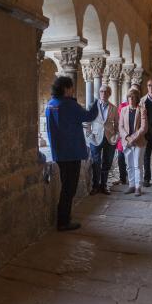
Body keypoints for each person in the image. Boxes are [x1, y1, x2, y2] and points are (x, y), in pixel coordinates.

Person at [45, 76, 99, 231]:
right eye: (71, 87)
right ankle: (63, 222)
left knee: (66, 186)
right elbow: (89, 117)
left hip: (59, 153)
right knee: (70, 188)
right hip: (72, 153)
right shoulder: (69, 105)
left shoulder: (50, 105)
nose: (73, 90)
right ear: (65, 88)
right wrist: (95, 104)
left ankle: (64, 218)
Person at [86, 85, 119, 195]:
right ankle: (95, 186)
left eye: (106, 92)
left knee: (107, 162)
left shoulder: (114, 108)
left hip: (109, 139)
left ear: (109, 94)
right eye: (101, 91)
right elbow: (87, 122)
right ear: (99, 93)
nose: (103, 94)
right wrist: (89, 135)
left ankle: (103, 185)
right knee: (96, 162)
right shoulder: (92, 106)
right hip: (95, 138)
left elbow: (117, 125)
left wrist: (116, 136)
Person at [119, 88, 148, 197]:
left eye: (133, 97)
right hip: (126, 142)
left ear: (137, 99)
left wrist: (133, 138)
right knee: (129, 165)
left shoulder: (142, 110)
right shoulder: (123, 110)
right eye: (129, 97)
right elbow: (120, 126)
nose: (131, 99)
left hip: (138, 141)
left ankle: (138, 187)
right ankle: (131, 185)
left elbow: (144, 127)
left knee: (138, 165)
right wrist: (127, 137)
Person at [114, 83, 141, 186]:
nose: (132, 95)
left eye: (135, 92)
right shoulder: (122, 106)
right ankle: (123, 178)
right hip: (124, 136)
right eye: (131, 92)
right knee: (121, 156)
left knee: (135, 161)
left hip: (136, 137)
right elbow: (119, 122)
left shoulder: (140, 107)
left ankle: (135, 181)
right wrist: (124, 135)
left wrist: (134, 136)